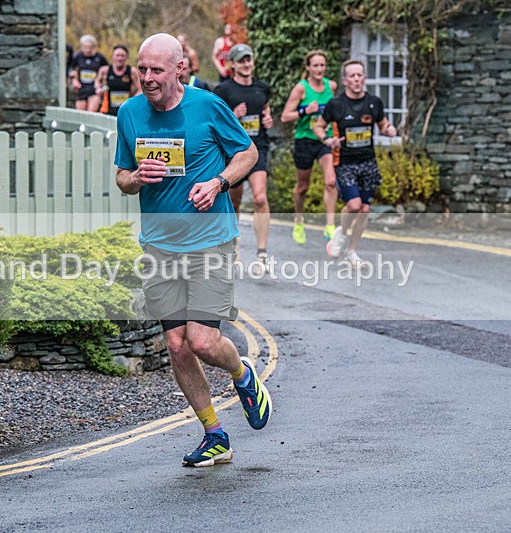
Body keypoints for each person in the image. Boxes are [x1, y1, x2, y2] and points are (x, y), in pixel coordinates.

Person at [115, 33, 272, 468]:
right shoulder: (128, 114)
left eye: (156, 70)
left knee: (202, 341)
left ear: (179, 69)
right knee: (177, 344)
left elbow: (248, 153)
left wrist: (219, 182)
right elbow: (121, 177)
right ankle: (214, 435)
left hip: (210, 241)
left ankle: (241, 374)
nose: (147, 78)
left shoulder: (207, 106)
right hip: (159, 246)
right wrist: (136, 178)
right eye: (142, 69)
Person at [313, 59, 397, 268]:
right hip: (345, 163)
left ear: (364, 78)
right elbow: (318, 126)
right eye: (352, 75)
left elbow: (383, 123)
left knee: (365, 210)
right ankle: (341, 233)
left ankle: (351, 251)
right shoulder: (336, 104)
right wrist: (328, 140)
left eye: (360, 75)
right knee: (354, 205)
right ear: (345, 80)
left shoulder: (374, 102)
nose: (357, 79)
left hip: (368, 162)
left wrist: (389, 130)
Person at [214, 44, 273, 272]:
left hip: (258, 147)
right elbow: (216, 121)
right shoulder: (223, 90)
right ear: (233, 64)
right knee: (234, 202)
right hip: (234, 153)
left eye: (249, 60)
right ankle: (234, 245)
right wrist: (233, 115)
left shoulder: (263, 88)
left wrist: (267, 120)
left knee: (260, 198)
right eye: (241, 61)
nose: (246, 64)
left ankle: (262, 253)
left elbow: (265, 112)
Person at [280, 50, 339, 247]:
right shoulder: (301, 89)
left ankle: (330, 226)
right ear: (308, 68)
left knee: (331, 181)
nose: (319, 69)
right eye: (315, 65)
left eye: (322, 65)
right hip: (304, 140)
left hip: (325, 140)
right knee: (302, 187)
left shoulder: (331, 87)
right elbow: (285, 116)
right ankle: (298, 220)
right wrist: (306, 111)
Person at [94, 45, 141, 117]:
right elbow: (97, 81)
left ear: (126, 57)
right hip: (108, 110)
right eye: (117, 55)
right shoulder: (105, 70)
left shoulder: (132, 71)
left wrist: (133, 101)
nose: (120, 58)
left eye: (122, 56)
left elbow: (140, 88)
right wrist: (98, 89)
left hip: (125, 110)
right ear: (113, 56)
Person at [69, 35, 107, 112]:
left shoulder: (99, 57)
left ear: (93, 47)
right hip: (81, 89)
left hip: (94, 90)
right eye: (85, 47)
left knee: (91, 114)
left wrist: (102, 86)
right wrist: (74, 80)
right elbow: (70, 69)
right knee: (81, 114)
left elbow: (107, 71)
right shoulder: (78, 56)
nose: (87, 50)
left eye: (90, 47)